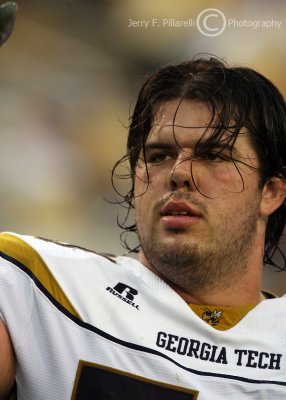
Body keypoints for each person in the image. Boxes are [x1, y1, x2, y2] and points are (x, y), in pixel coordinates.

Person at [0, 57, 286, 399]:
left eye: (213, 155)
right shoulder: (38, 284)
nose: (180, 173)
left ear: (270, 191)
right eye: (159, 155)